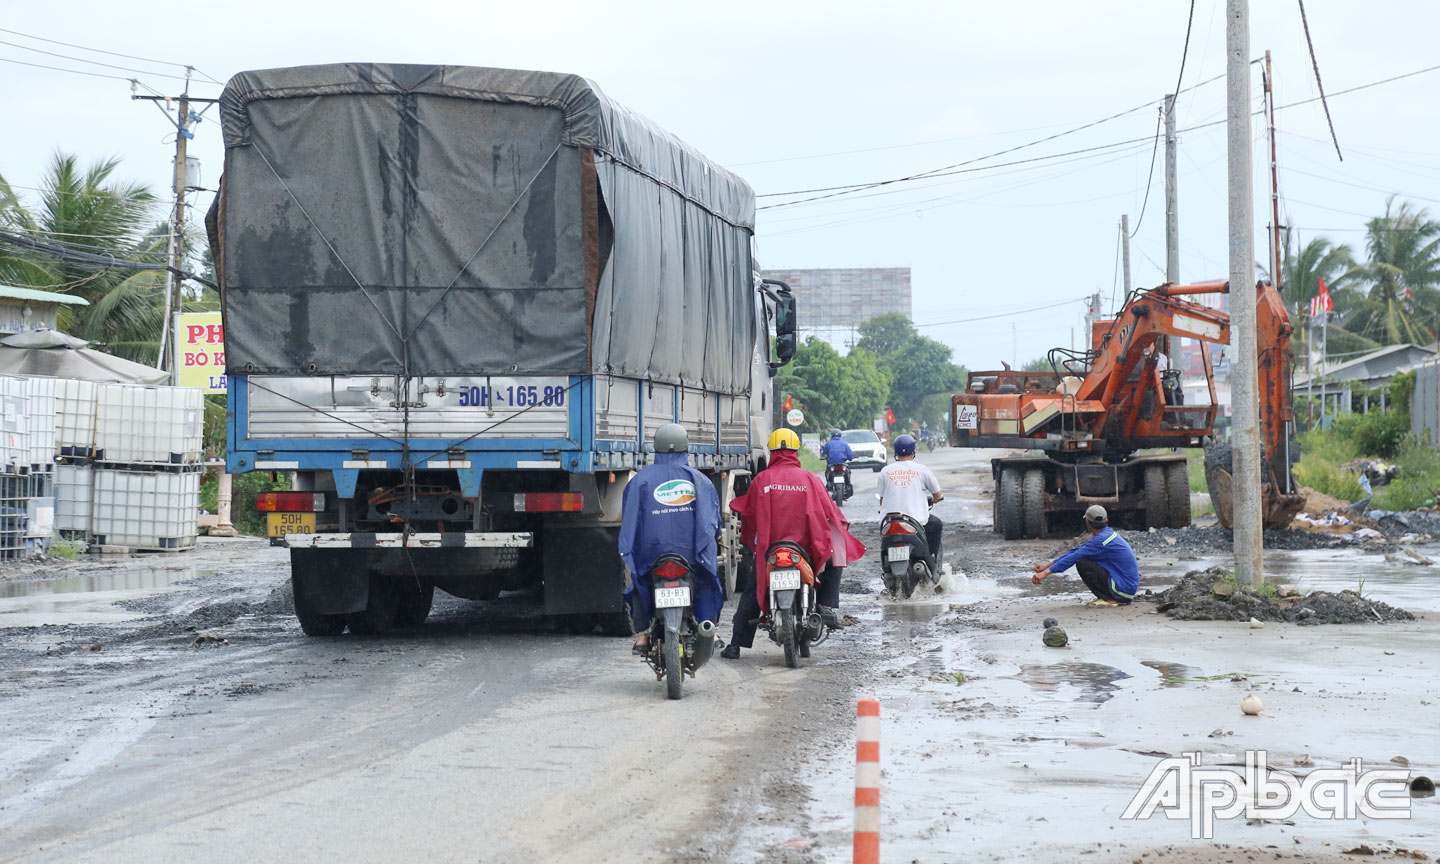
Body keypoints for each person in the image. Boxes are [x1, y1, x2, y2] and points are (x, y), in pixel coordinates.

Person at [721, 428, 865, 659]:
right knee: (832, 558)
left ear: (773, 452)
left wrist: (753, 546)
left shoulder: (762, 479)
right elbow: (830, 512)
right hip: (803, 551)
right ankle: (826, 606)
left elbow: (749, 514)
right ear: (795, 451)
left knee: (753, 589)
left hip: (771, 550)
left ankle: (736, 645)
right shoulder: (810, 479)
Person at [617, 423, 724, 653]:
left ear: (656, 448)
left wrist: (634, 552)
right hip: (691, 556)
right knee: (706, 580)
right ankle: (709, 628)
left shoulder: (639, 481)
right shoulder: (699, 480)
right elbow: (710, 522)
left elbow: (630, 522)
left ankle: (644, 635)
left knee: (640, 581)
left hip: (651, 555)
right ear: (687, 448)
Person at [1030, 504, 1139, 607]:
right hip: (1127, 588)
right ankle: (1110, 596)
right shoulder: (1107, 535)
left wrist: (1045, 573)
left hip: (1123, 591)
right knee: (1082, 556)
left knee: (1082, 562)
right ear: (1106, 521)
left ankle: (1111, 598)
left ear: (1087, 522)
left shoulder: (1101, 540)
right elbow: (1076, 551)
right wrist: (1047, 566)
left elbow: (1075, 556)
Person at [875, 433, 945, 565]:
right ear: (913, 451)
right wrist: (935, 499)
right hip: (916, 521)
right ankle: (931, 560)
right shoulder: (922, 470)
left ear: (895, 452)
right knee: (936, 524)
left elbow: (882, 501)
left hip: (890, 521)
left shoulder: (885, 471)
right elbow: (938, 494)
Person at [819, 428, 854, 499]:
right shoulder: (845, 444)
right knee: (848, 472)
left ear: (831, 436)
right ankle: (848, 483)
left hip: (831, 465)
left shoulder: (828, 444)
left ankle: (830, 486)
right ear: (840, 436)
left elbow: (824, 453)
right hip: (843, 465)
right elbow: (850, 456)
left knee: (827, 473)